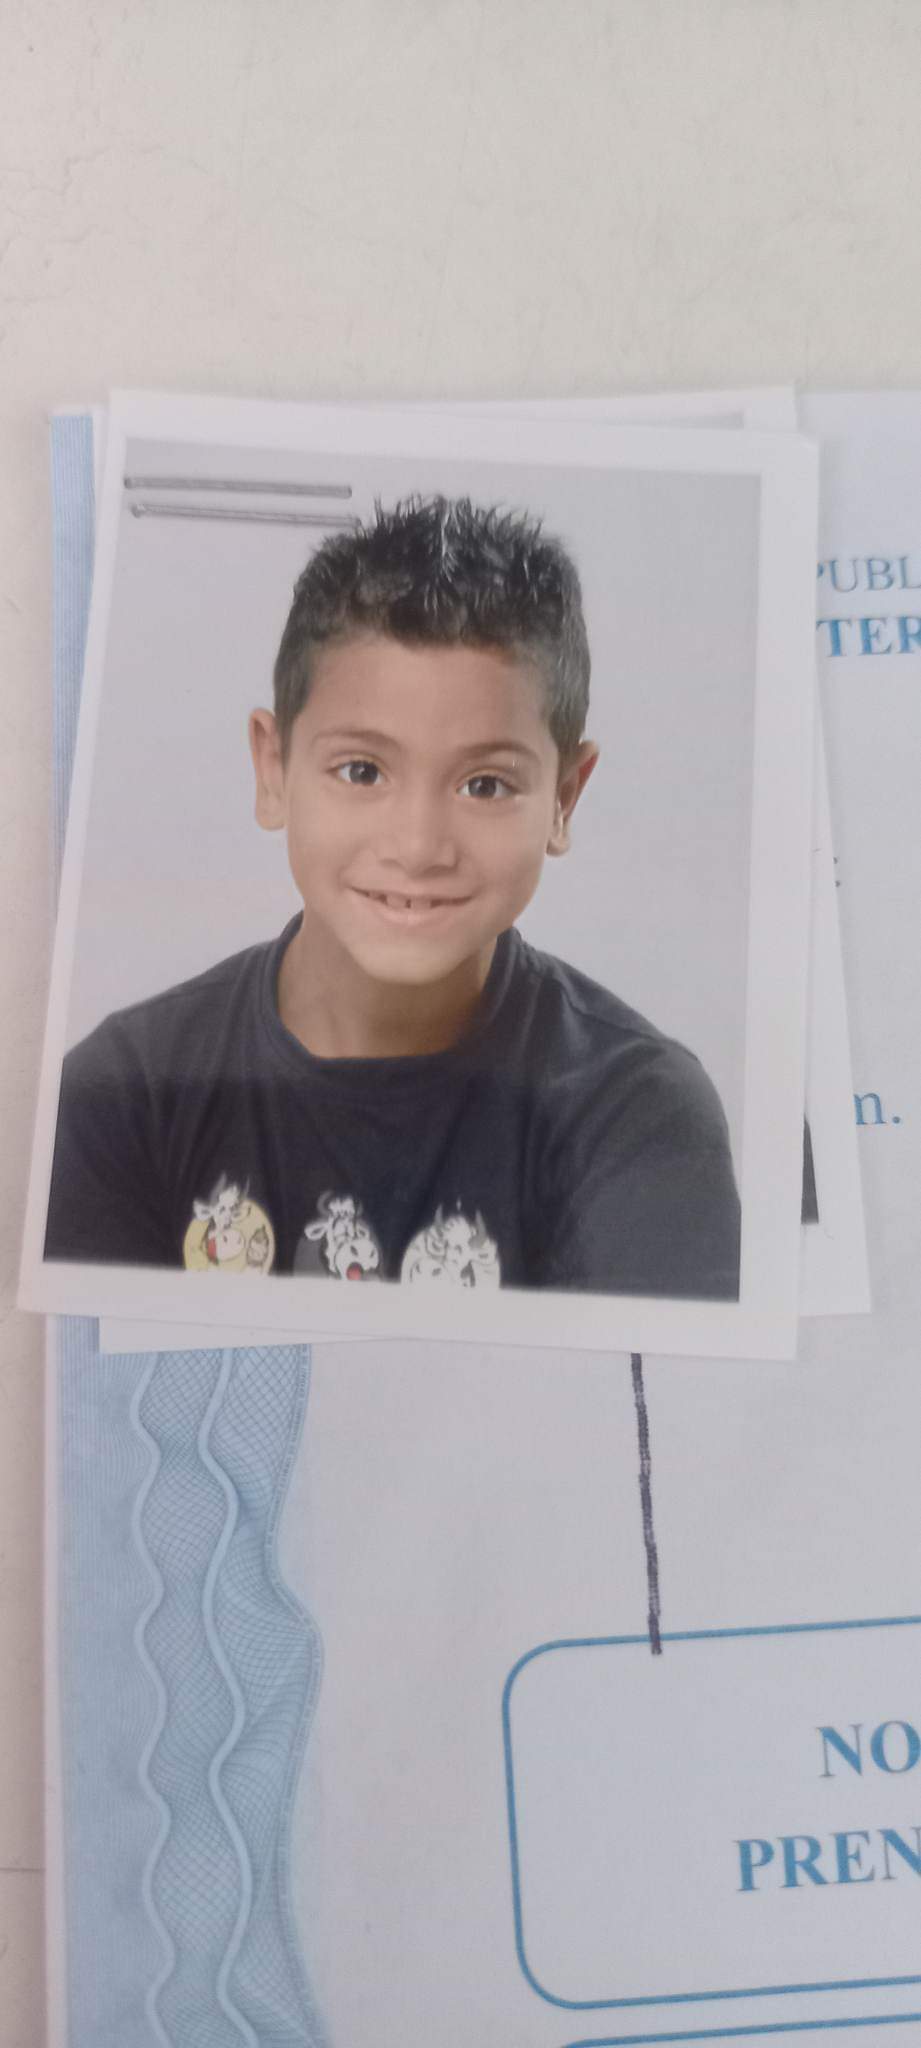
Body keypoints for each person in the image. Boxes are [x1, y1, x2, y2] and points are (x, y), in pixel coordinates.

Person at [45, 495, 740, 1298]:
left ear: (563, 798)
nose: (416, 847)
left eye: (485, 784)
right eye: (362, 771)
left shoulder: (637, 1114)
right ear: (272, 770)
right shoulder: (120, 1098)